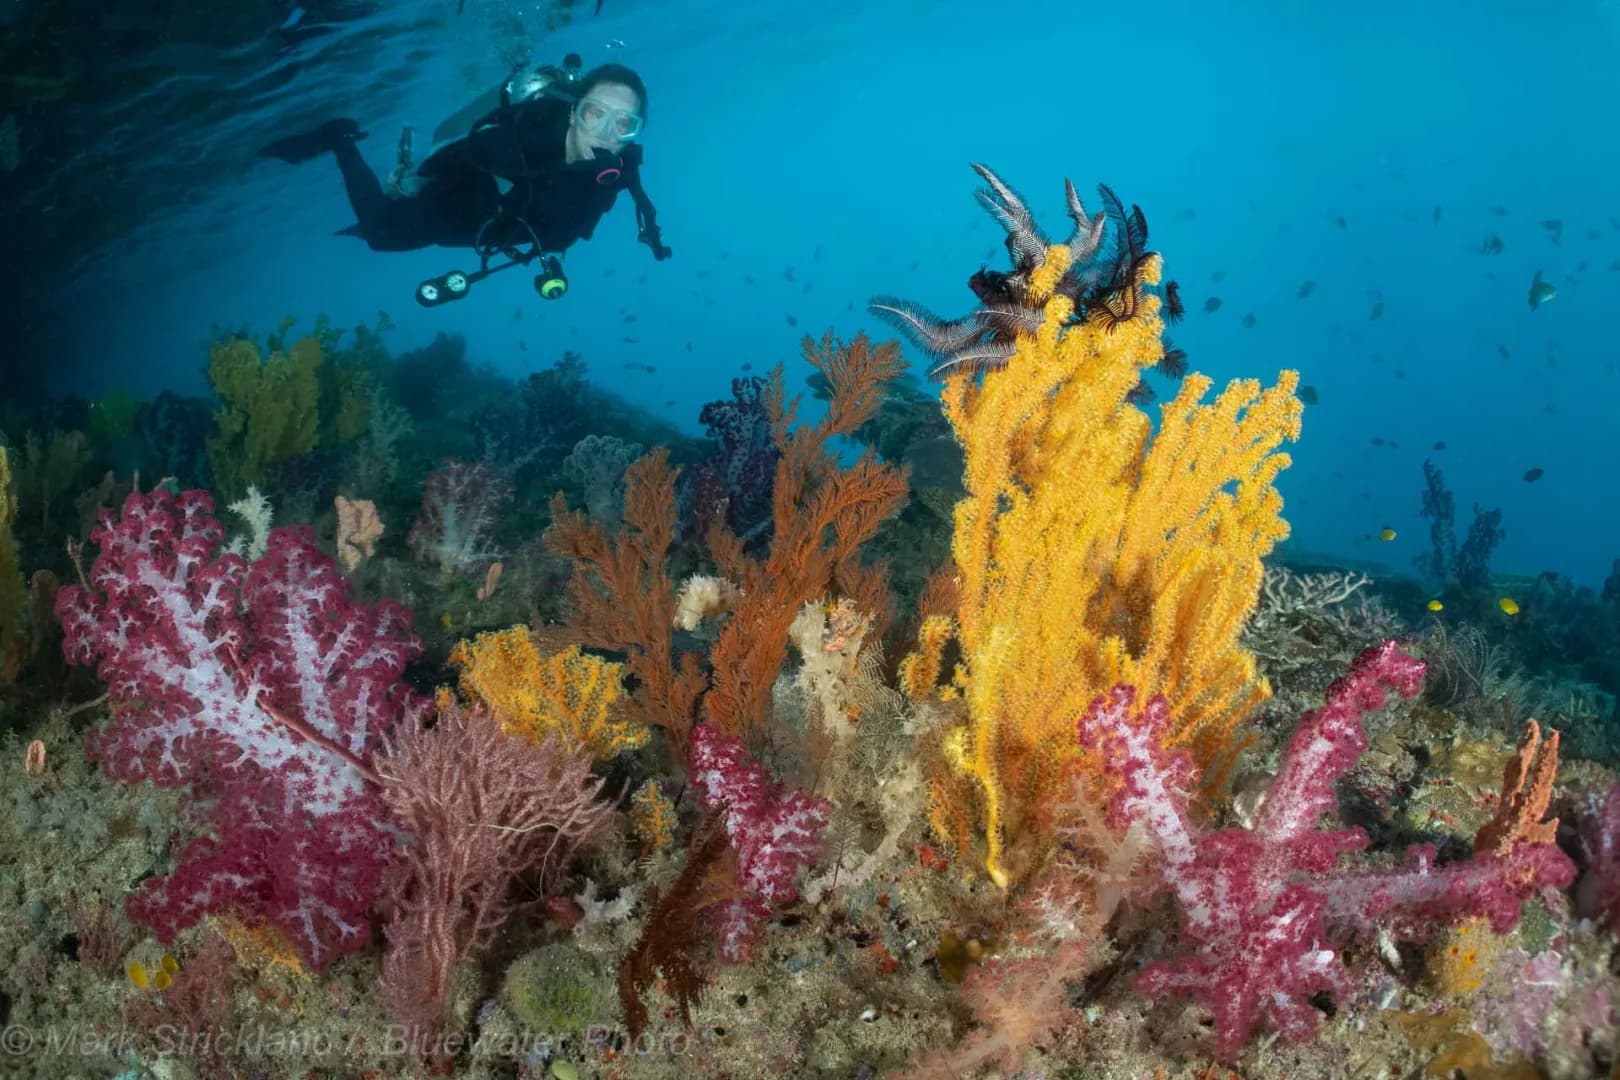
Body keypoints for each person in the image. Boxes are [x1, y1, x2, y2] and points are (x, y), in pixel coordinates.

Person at [257, 61, 671, 266]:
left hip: (488, 230)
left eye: (623, 123)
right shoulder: (523, 140)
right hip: (454, 203)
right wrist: (418, 179)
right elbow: (459, 153)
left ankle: (342, 143)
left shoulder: (617, 174)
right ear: (576, 109)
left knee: (383, 236)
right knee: (381, 234)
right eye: (594, 113)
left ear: (636, 131)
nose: (604, 132)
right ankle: (340, 140)